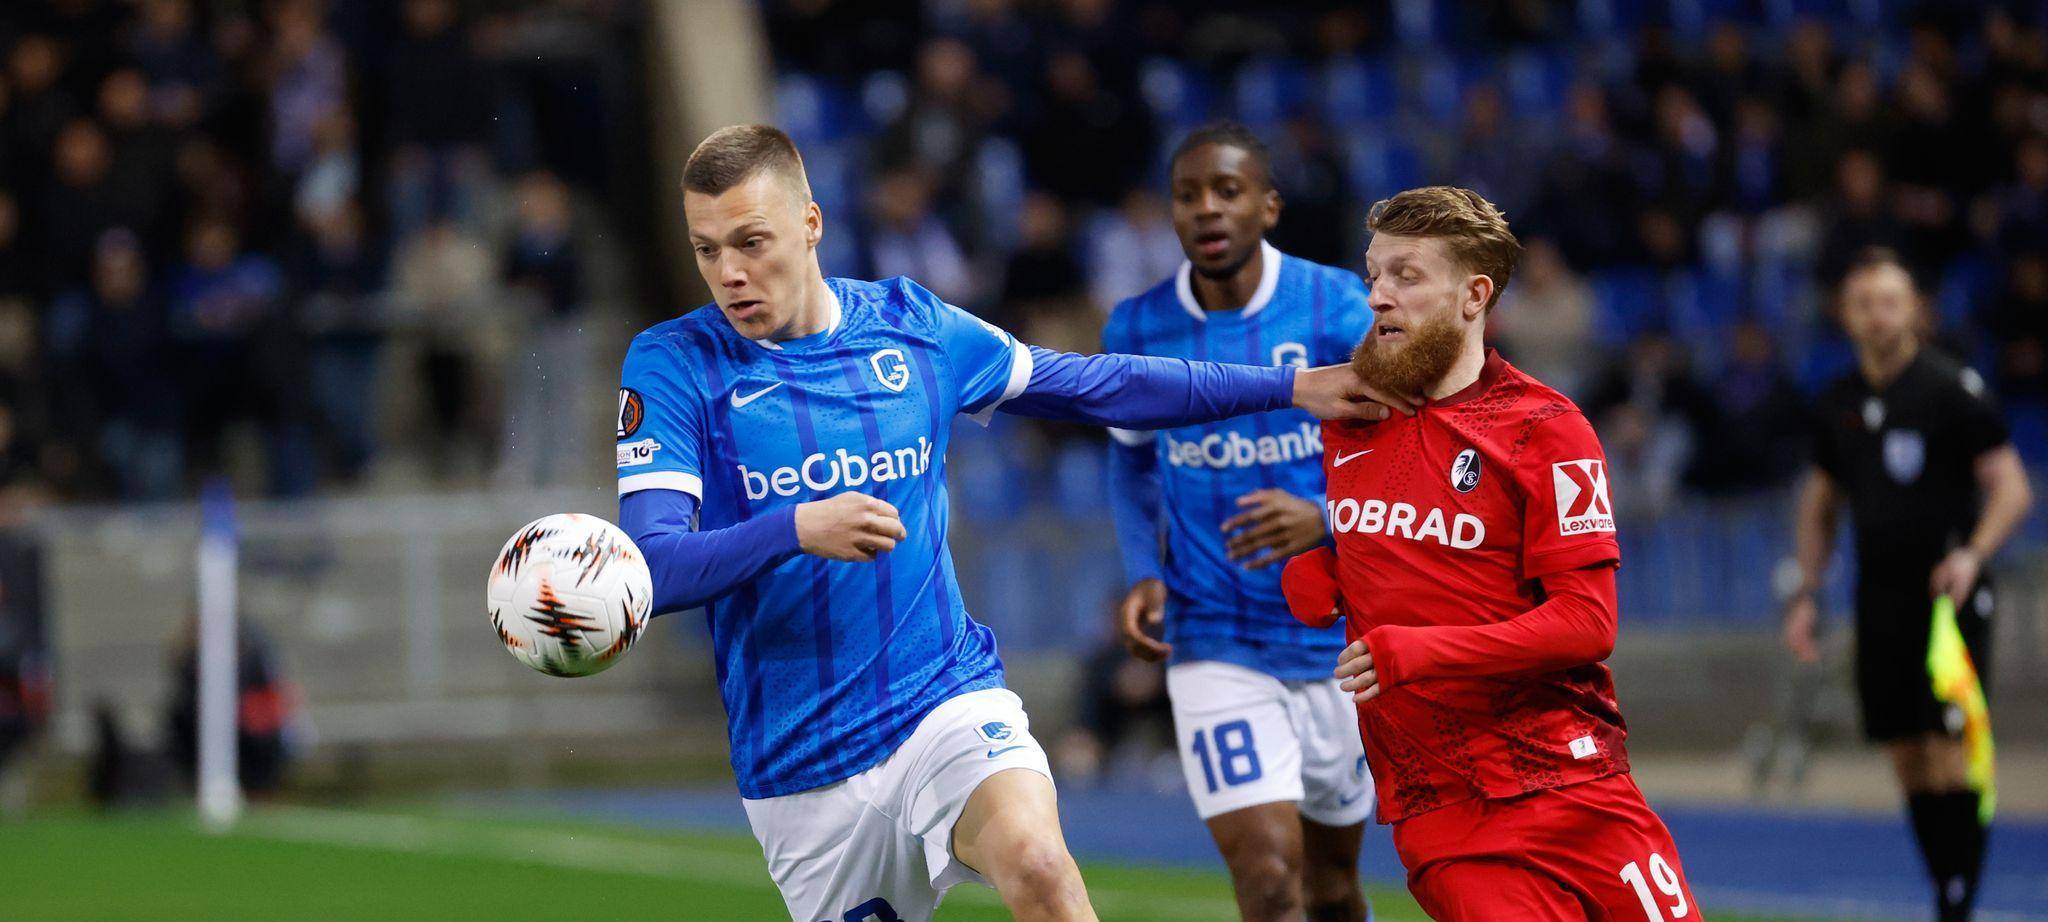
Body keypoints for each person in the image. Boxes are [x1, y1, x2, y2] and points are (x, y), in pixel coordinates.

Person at [615, 125, 1393, 922]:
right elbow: (652, 567)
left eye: (751, 241)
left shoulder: (912, 328)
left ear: (812, 223)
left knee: (1039, 864)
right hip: (799, 764)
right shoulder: (672, 364)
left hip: (941, 701)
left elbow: (1098, 384)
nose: (730, 274)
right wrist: (795, 528)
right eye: (707, 251)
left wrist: (1289, 386)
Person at [1281, 186, 1700, 920]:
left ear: (1474, 295)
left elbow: (1586, 624)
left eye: (1406, 276)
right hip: (1442, 804)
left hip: (1578, 783)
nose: (1378, 296)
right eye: (1373, 274)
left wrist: (1420, 651)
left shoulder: (1547, 429)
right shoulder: (1351, 418)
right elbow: (1416, 560)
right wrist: (1327, 567)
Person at [1102, 122, 1378, 922]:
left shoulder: (1336, 308)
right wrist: (1142, 570)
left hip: (1334, 636)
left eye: (1227, 192)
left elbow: (1406, 451)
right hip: (1213, 637)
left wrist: (1325, 518)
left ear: (1268, 206)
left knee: (1332, 888)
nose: (1207, 211)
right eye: (1188, 197)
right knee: (1266, 880)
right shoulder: (1138, 329)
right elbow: (1128, 458)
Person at [1783, 248, 2032, 922]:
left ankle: (1957, 900)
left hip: (1950, 595)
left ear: (1915, 309)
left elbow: (2011, 487)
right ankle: (1945, 884)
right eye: (1864, 302)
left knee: (1949, 746)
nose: (1877, 315)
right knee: (1905, 753)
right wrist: (1807, 591)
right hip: (1880, 595)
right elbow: (1820, 504)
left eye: (1890, 301)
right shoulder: (1838, 403)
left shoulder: (1951, 389)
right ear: (1845, 314)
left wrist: (1974, 555)